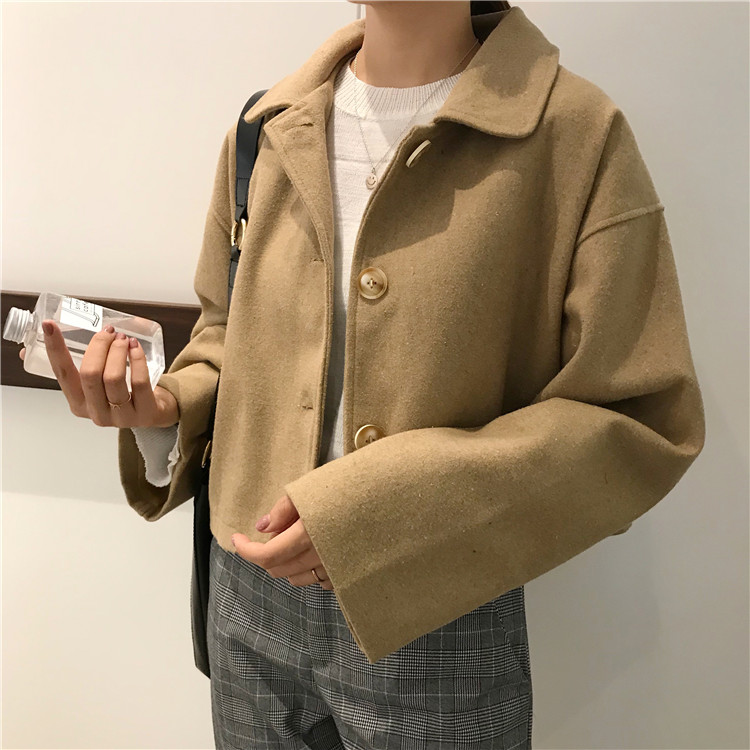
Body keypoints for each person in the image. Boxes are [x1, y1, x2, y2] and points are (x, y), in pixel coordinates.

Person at [28, 1, 706, 748]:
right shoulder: (264, 128)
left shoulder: (574, 135)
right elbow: (227, 335)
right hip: (247, 599)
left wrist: (383, 511)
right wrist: (165, 410)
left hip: (439, 607)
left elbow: (638, 417)